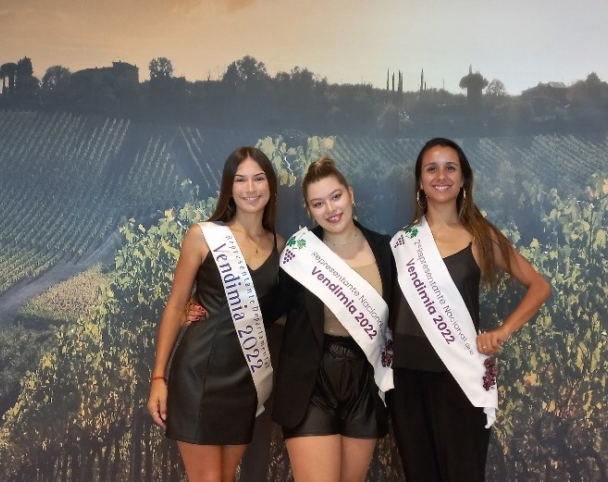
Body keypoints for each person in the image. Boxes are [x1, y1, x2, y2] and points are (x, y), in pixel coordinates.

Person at [389, 137, 551, 481]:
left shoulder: (480, 236)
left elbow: (539, 286)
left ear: (463, 179)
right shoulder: (402, 242)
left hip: (459, 375)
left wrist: (503, 331)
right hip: (406, 378)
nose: (441, 176)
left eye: (450, 168)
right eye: (431, 169)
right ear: (420, 182)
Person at [147, 146, 285, 482]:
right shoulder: (203, 236)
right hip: (199, 373)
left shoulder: (280, 246)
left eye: (258, 179)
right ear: (229, 188)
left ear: (270, 186)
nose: (250, 188)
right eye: (240, 180)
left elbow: (277, 314)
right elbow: (175, 306)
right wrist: (158, 378)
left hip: (245, 380)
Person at [271, 157, 395, 482]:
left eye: (336, 196)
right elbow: (272, 308)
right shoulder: (301, 253)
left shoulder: (385, 249)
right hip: (311, 382)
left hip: (365, 380)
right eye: (318, 203)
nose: (330, 209)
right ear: (309, 210)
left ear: (350, 194)